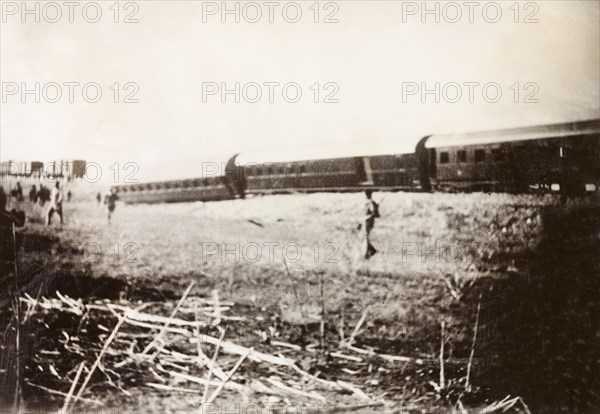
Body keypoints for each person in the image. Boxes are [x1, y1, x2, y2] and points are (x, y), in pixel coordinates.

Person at [362, 190, 380, 259]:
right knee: (366, 236)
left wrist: (369, 218)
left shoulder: (370, 202)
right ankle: (371, 250)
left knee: (366, 237)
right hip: (368, 221)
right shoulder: (372, 202)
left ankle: (369, 251)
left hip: (368, 221)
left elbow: (373, 213)